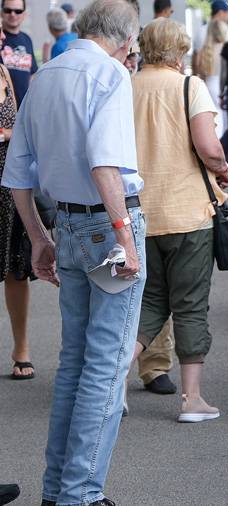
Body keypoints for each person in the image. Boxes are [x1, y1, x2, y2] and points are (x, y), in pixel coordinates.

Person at [2, 0, 143, 503]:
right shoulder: (110, 74)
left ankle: (59, 489)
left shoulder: (45, 75)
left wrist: (40, 236)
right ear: (127, 39)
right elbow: (106, 164)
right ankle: (79, 494)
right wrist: (125, 237)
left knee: (75, 362)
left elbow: (17, 172)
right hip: (107, 223)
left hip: (67, 223)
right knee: (106, 364)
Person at [130, 17, 228, 423]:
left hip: (140, 213)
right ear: (179, 51)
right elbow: (209, 147)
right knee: (189, 307)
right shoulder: (190, 86)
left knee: (149, 302)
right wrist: (223, 169)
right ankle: (191, 400)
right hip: (187, 213)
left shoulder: (127, 87)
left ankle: (110, 384)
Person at [0, 15, 32, 381]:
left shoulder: (5, 73)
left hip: (8, 185)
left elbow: (19, 124)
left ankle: (21, 348)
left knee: (15, 268)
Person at [194, 19, 228, 136]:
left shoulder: (205, 49)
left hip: (209, 84)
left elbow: (199, 70)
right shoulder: (226, 48)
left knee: (213, 118)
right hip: (222, 85)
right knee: (224, 118)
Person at [1, 0, 36, 107]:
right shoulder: (0, 39)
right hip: (4, 110)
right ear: (1, 12)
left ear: (24, 14)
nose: (13, 14)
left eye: (18, 11)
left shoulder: (27, 39)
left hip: (24, 109)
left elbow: (32, 74)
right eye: (8, 10)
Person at [191, 0, 228, 71]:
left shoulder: (201, 31)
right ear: (221, 13)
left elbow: (195, 63)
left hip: (205, 76)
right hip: (224, 76)